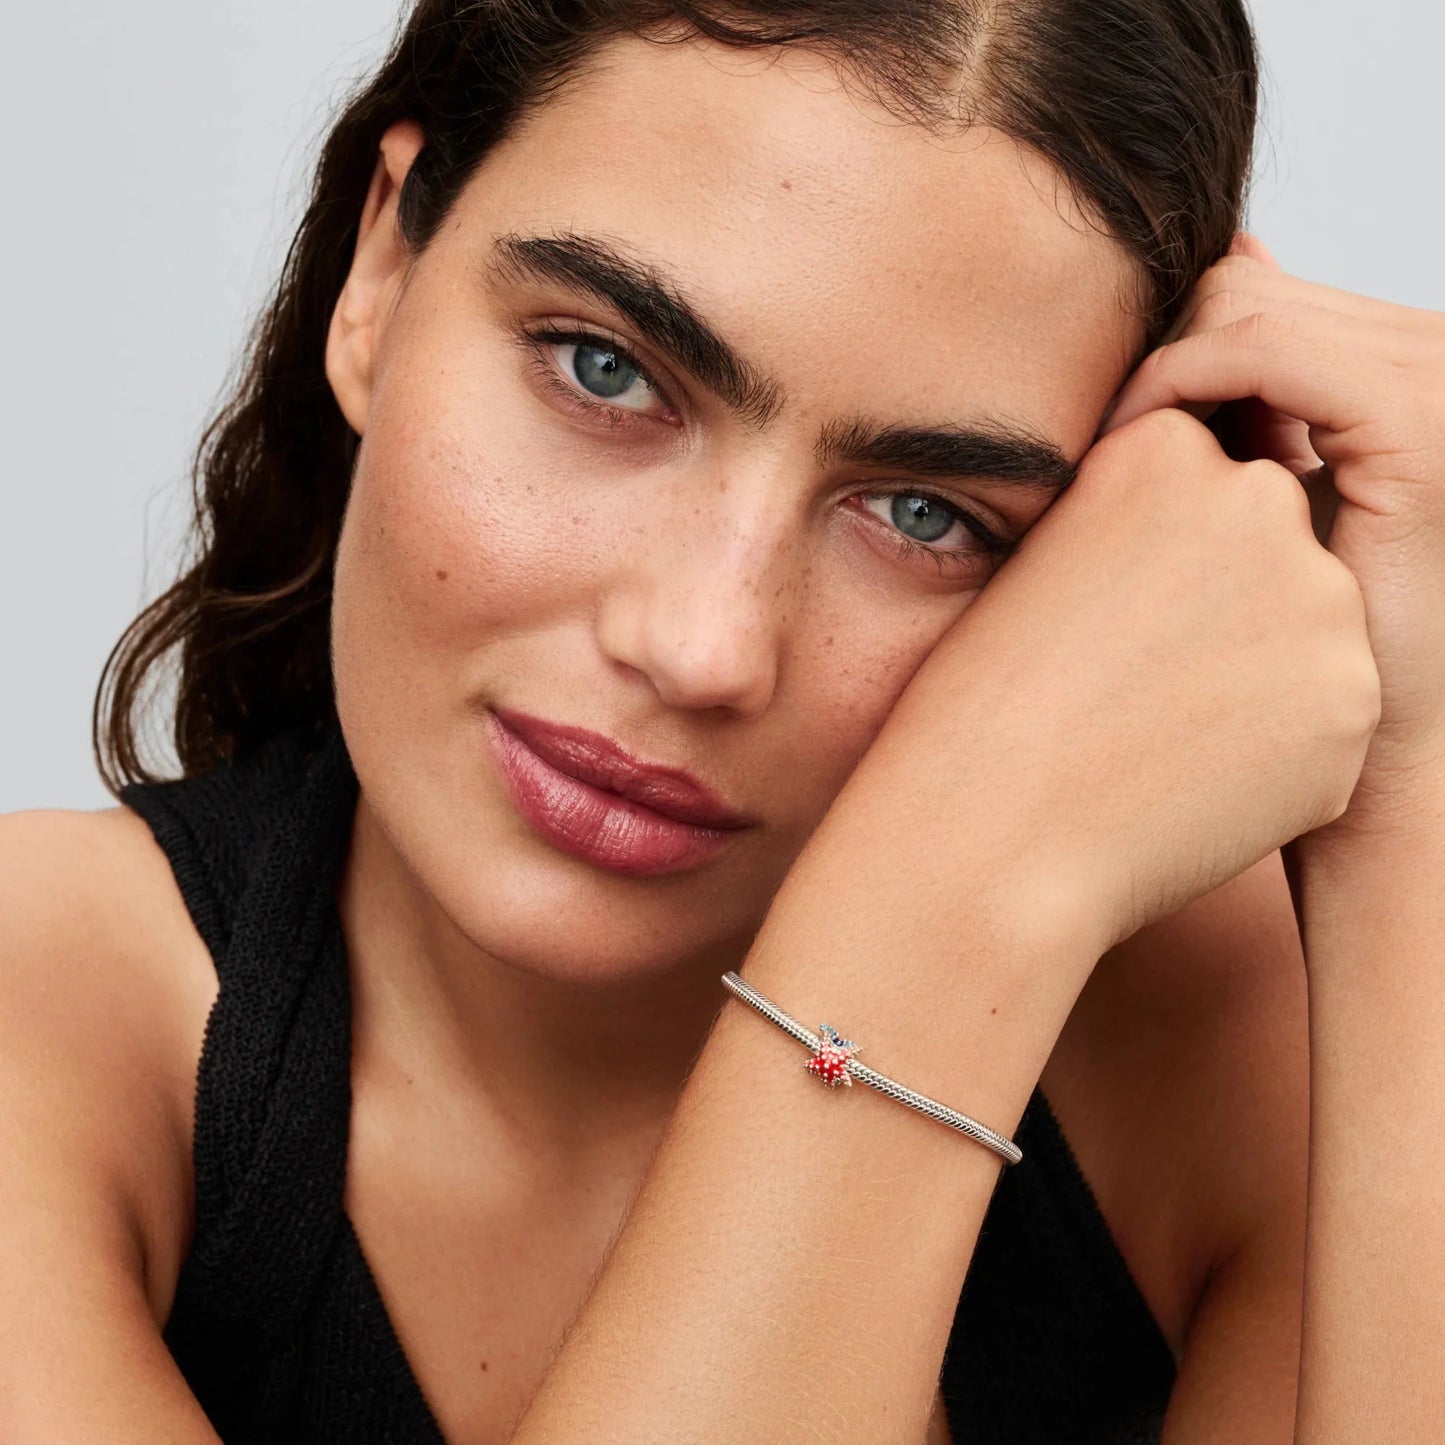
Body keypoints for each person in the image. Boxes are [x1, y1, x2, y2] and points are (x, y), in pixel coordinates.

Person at [3, 1, 1443, 1441]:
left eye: (923, 513)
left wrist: (1410, 786)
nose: (704, 646)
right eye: (604, 368)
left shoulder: (1218, 1046)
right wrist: (945, 920)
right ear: (383, 268)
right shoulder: (46, 1020)